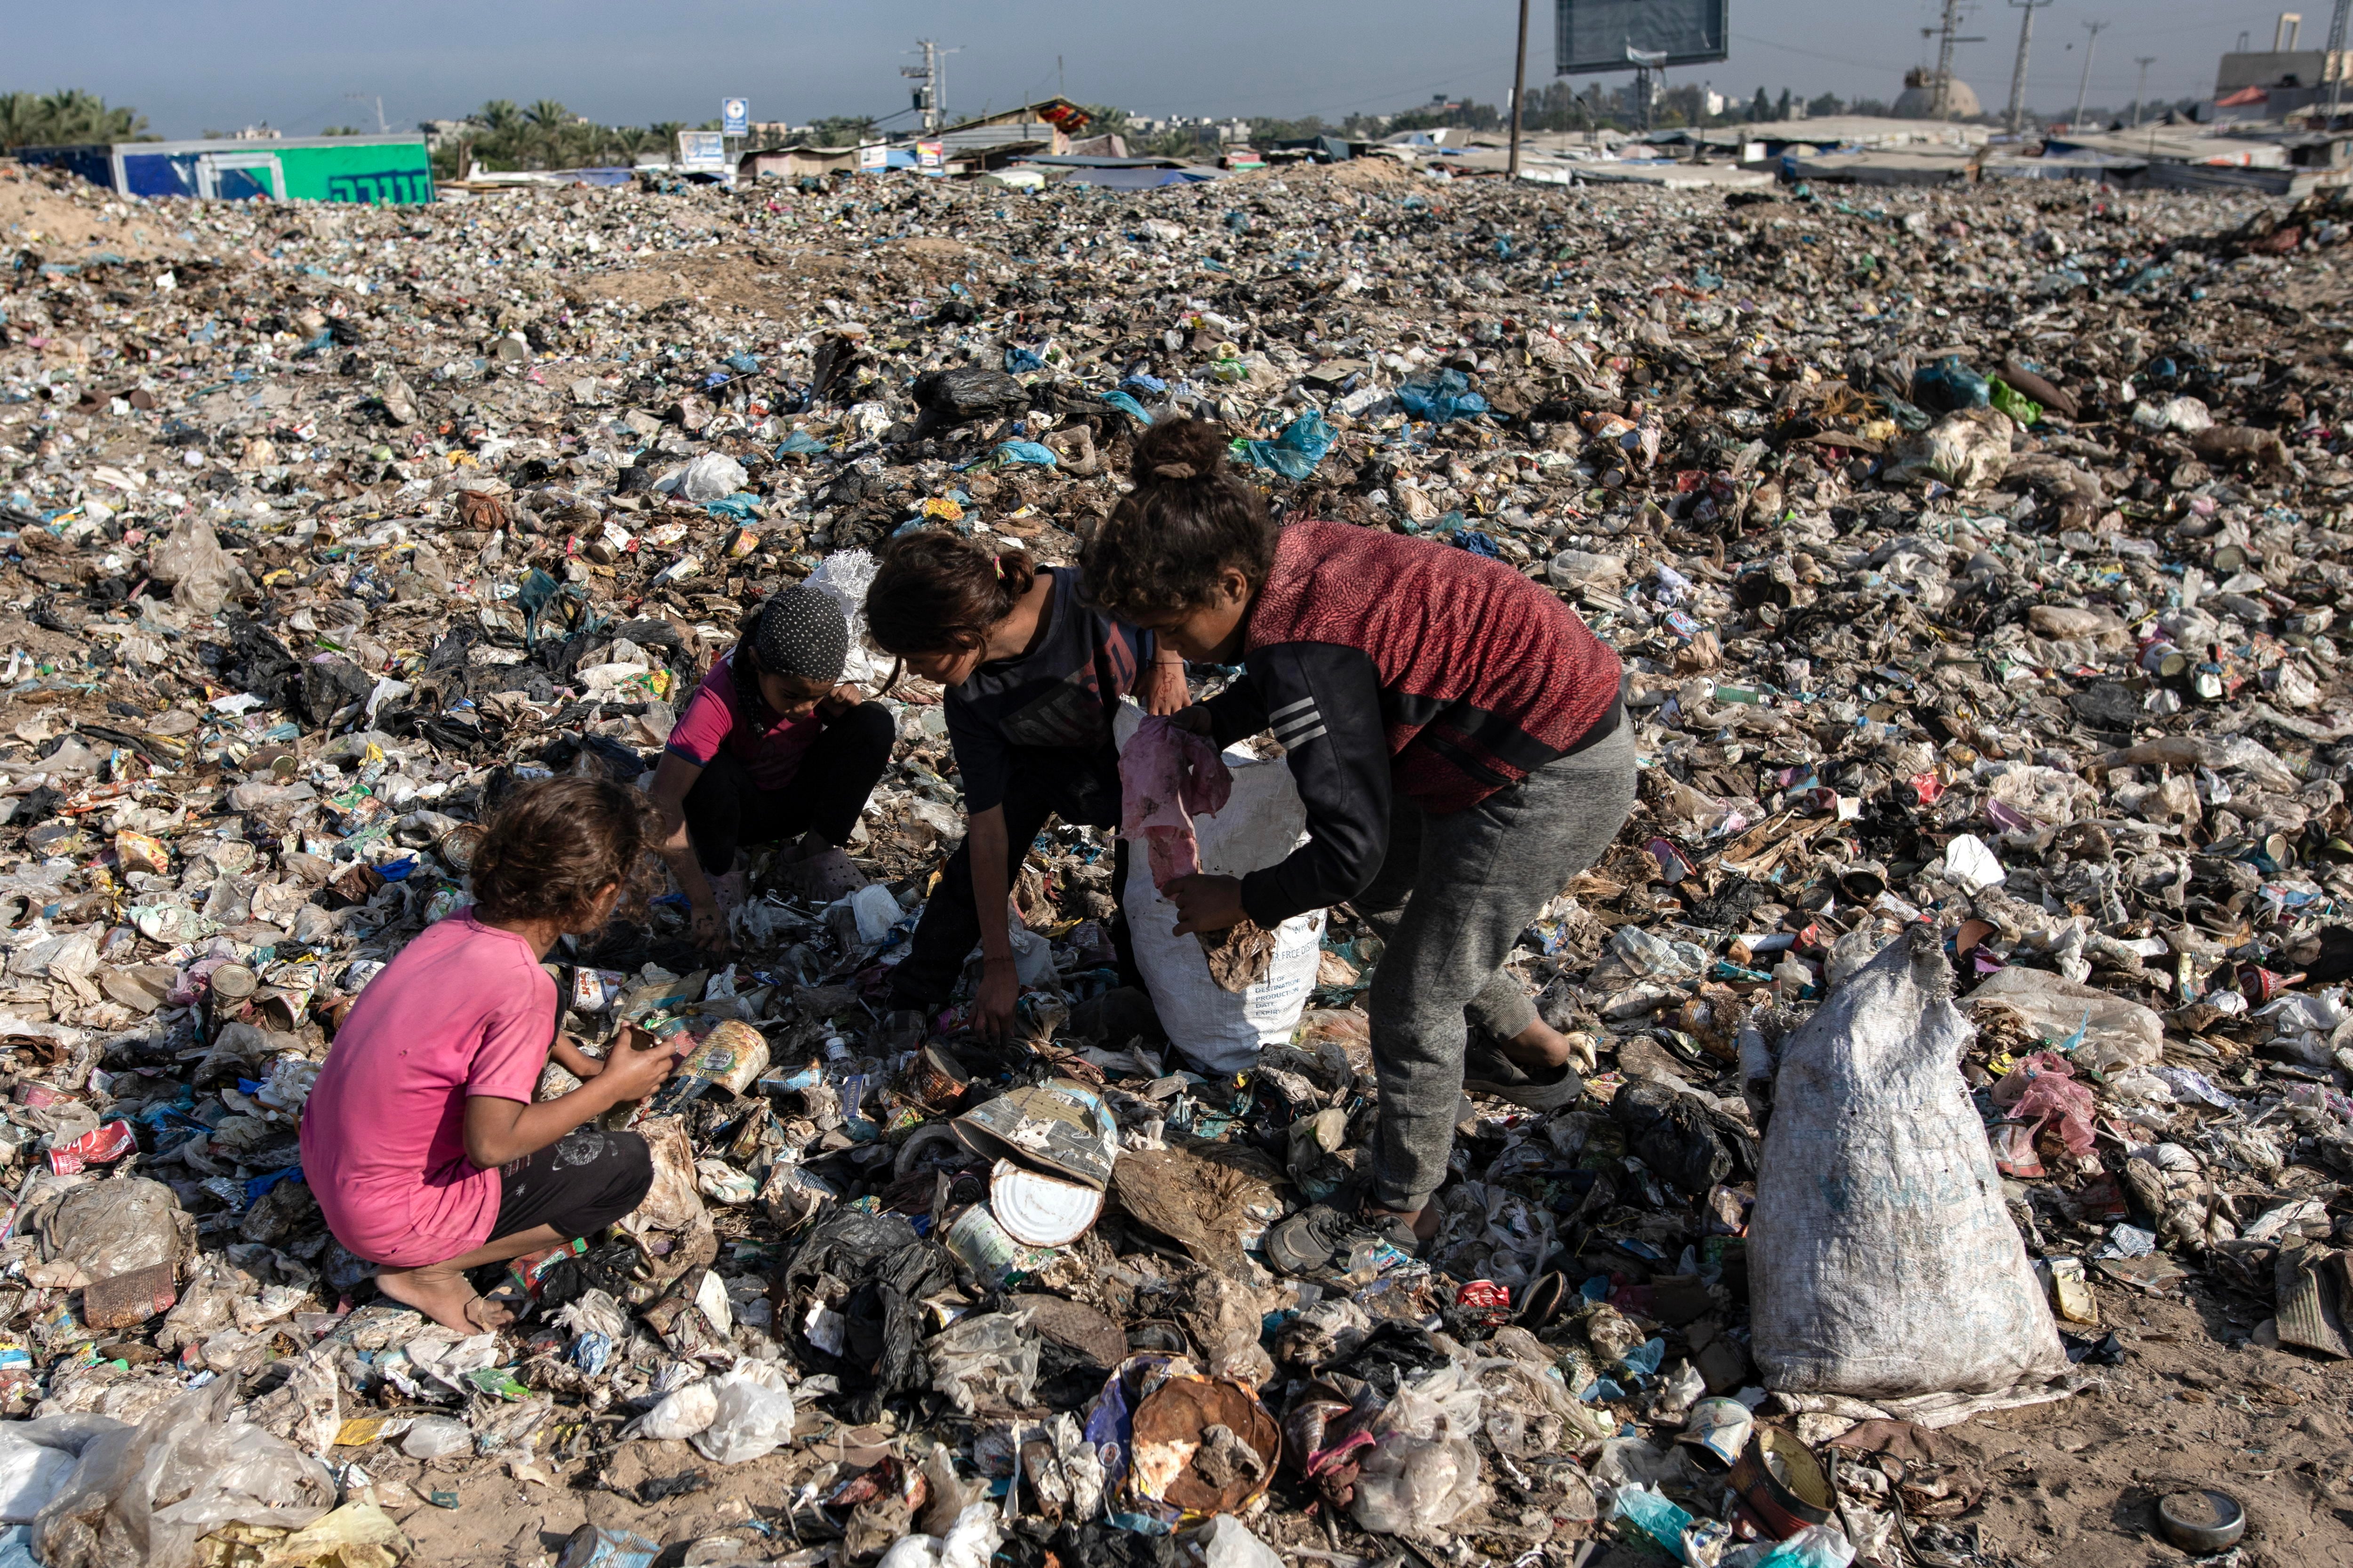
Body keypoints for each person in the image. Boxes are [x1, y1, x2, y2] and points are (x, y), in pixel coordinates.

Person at [1079, 419, 1636, 1251]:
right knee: (1394, 905)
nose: (1165, 649)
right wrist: (1208, 722)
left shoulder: (1303, 648)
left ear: (1231, 584)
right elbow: (1302, 690)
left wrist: (1243, 900)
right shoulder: (1290, 558)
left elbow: (1350, 845)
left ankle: (1401, 1206)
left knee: (1413, 1002)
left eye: (1169, 627)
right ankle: (1538, 1053)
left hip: (1545, 772)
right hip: (1501, 735)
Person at [301, 776, 686, 1334]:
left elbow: (481, 1016)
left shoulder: (460, 926)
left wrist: (579, 1063)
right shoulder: (520, 987)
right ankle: (431, 1269)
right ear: (602, 894)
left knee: (548, 992)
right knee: (623, 1167)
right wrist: (608, 1088)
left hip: (330, 1163)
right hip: (389, 1216)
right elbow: (490, 1145)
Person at [864, 532, 1188, 1037]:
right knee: (972, 873)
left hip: (1138, 759)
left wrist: (1167, 661)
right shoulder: (969, 696)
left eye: (919, 658)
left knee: (1145, 892)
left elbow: (1173, 579)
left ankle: (1148, 1003)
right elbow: (989, 834)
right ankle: (915, 991)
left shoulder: (1087, 595)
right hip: (1041, 768)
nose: (919, 675)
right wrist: (999, 966)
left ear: (959, 632)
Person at [646, 586, 894, 952]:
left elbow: (845, 736)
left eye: (817, 696)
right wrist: (700, 901)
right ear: (757, 661)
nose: (804, 709)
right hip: (735, 815)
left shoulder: (817, 681)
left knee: (873, 722)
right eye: (792, 696)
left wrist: (845, 705)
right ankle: (724, 870)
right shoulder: (720, 695)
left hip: (793, 803)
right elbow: (664, 799)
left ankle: (813, 853)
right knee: (707, 766)